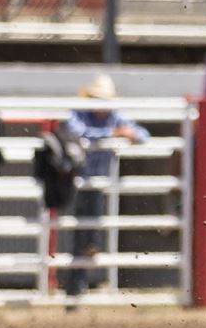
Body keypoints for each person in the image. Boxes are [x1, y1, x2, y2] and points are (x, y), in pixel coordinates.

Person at [60, 76, 146, 300]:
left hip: (94, 182)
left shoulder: (114, 117)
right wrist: (114, 134)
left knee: (85, 223)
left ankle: (77, 284)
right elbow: (75, 131)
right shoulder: (80, 115)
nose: (101, 105)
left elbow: (143, 135)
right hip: (76, 180)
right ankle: (81, 271)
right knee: (84, 224)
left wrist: (129, 134)